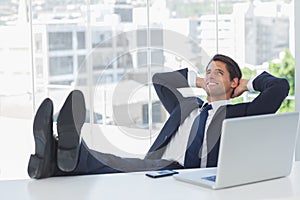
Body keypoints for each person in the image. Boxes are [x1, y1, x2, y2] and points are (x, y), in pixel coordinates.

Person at [28, 54, 290, 179]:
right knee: (118, 162)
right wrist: (202, 81)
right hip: (158, 164)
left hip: (185, 171)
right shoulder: (188, 106)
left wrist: (246, 84)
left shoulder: (241, 113)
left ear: (233, 82)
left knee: (116, 162)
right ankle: (51, 157)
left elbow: (279, 88)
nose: (210, 74)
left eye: (218, 73)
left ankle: (63, 154)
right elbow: (161, 80)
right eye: (208, 70)